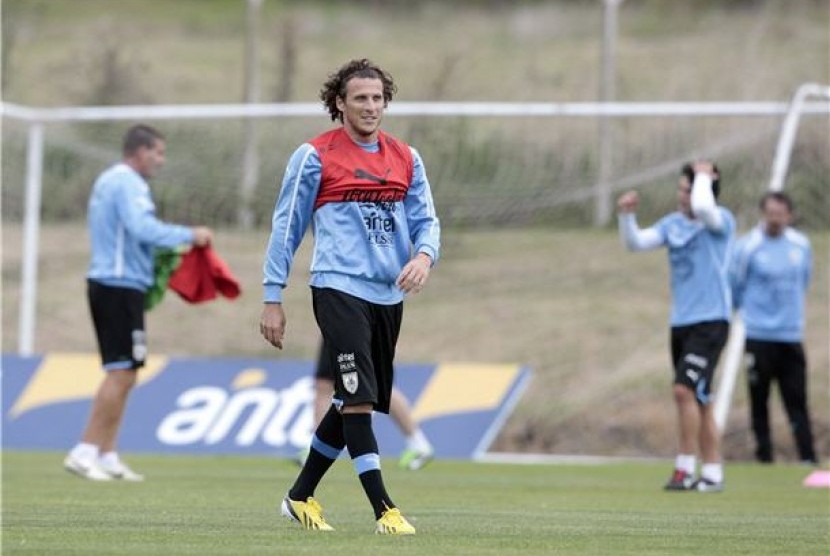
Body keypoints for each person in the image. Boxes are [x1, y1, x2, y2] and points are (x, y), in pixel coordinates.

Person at [260, 59, 440, 534]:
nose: (371, 106)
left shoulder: (407, 157)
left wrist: (424, 256)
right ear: (338, 103)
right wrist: (272, 296)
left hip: (387, 295)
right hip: (337, 286)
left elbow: (427, 221)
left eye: (378, 97)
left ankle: (299, 497)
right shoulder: (314, 156)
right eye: (360, 98)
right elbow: (287, 228)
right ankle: (385, 509)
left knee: (349, 400)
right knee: (357, 399)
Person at [64, 124, 213, 481]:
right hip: (116, 284)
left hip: (121, 283)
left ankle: (107, 453)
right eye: (158, 153)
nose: (161, 160)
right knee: (120, 371)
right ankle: (83, 450)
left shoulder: (114, 181)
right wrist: (189, 235)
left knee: (127, 372)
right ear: (140, 151)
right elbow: (142, 229)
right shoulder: (127, 182)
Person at [617, 161, 735, 492]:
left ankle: (683, 469)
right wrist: (626, 217)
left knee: (682, 390)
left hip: (711, 322)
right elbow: (636, 243)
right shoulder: (673, 224)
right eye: (681, 189)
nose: (682, 196)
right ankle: (712, 473)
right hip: (681, 323)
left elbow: (702, 206)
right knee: (699, 399)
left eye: (688, 189)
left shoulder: (720, 221)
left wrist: (703, 175)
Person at [730, 192, 817, 465]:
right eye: (770, 213)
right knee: (759, 402)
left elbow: (804, 280)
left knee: (797, 401)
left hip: (790, 335)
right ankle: (764, 458)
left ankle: (807, 458)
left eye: (780, 213)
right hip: (758, 336)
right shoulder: (747, 247)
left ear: (789, 215)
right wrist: (751, 315)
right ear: (763, 213)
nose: (775, 219)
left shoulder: (801, 245)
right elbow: (735, 285)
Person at [295, 343, 434, 471]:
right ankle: (315, 447)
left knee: (377, 386)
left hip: (364, 324)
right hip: (335, 323)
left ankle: (418, 443)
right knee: (324, 383)